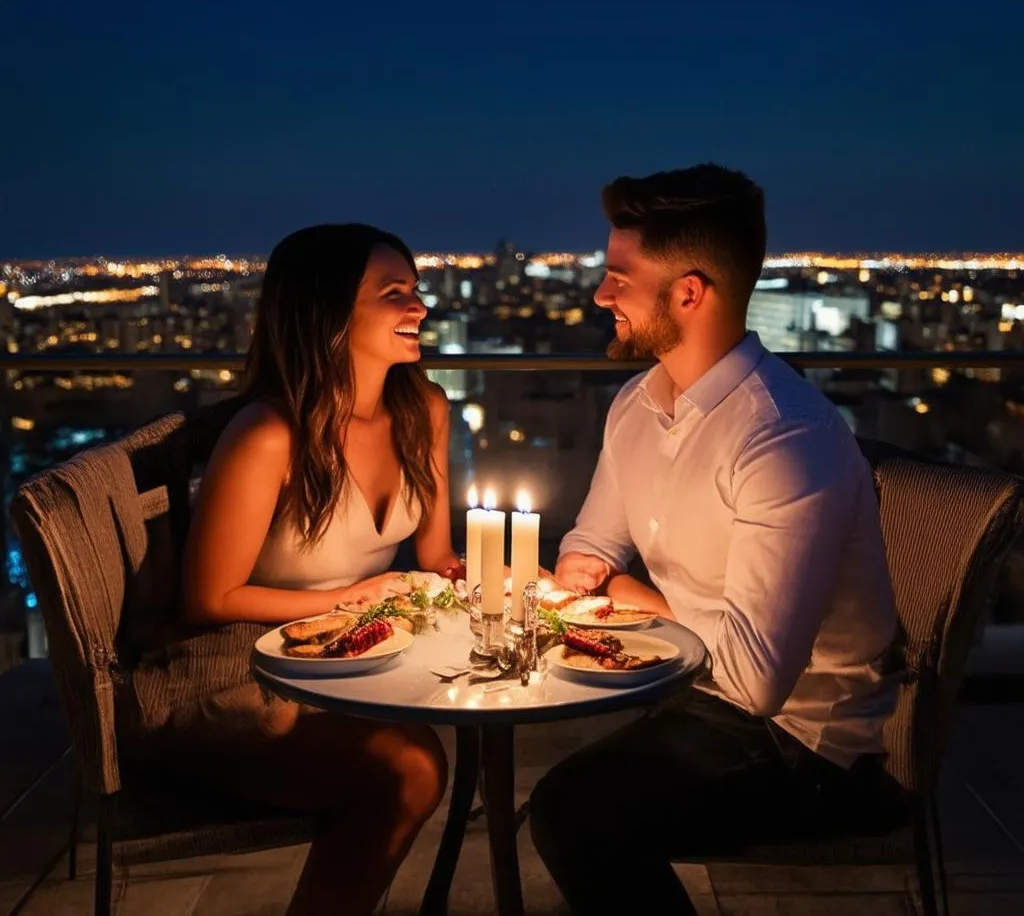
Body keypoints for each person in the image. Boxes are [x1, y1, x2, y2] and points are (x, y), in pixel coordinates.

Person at [530, 165, 903, 914]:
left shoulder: (783, 438)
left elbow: (759, 685)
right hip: (698, 691)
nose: (601, 295)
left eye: (618, 277)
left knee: (574, 812)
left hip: (808, 744)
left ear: (689, 293)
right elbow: (597, 536)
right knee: (549, 767)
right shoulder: (637, 405)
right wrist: (585, 565)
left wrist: (633, 594)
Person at [122, 224, 461, 916]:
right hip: (230, 670)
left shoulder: (424, 412)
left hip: (343, 660)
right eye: (395, 293)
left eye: (417, 291)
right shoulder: (269, 434)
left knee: (436, 746)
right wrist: (354, 596)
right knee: (414, 766)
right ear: (328, 313)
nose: (419, 308)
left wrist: (498, 577)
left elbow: (435, 560)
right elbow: (208, 598)